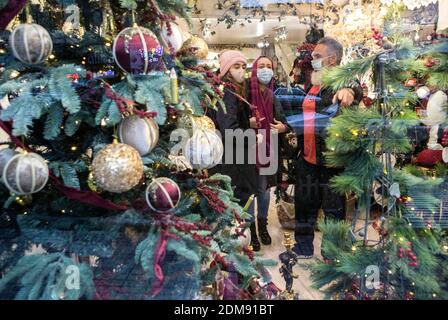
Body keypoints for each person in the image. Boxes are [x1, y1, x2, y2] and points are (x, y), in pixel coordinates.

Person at [293, 37, 363, 258]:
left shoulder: (342, 79)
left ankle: (331, 252)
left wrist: (349, 93)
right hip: (307, 157)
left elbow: (354, 88)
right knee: (304, 204)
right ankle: (303, 247)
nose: (311, 59)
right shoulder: (313, 82)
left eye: (316, 56)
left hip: (331, 159)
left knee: (334, 208)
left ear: (332, 60)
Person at [247, 56, 290, 252]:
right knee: (249, 192)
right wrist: (248, 124)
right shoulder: (245, 92)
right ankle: (250, 231)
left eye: (269, 67)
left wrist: (283, 127)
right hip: (246, 148)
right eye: (261, 66)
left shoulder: (273, 95)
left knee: (264, 191)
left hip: (268, 148)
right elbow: (237, 120)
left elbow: (283, 121)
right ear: (254, 69)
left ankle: (262, 226)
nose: (266, 70)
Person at [209, 50, 258, 215]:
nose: (241, 70)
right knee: (239, 208)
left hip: (227, 159)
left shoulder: (226, 89)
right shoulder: (228, 92)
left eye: (244, 66)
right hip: (233, 162)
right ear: (226, 69)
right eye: (236, 66)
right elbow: (229, 129)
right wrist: (252, 137)